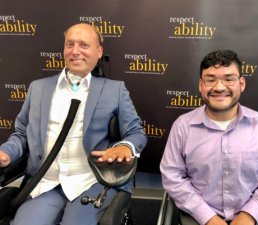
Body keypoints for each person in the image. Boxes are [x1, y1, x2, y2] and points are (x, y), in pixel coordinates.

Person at [0, 23, 147, 225]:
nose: (75, 51)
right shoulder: (38, 88)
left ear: (98, 52)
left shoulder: (115, 90)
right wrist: (6, 153)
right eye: (70, 44)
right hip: (45, 182)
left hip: (90, 182)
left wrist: (124, 147)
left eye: (84, 45)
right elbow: (22, 134)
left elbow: (136, 132)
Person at [160, 50, 258, 225]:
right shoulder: (183, 127)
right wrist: (207, 217)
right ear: (201, 85)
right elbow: (172, 177)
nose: (219, 87)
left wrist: (250, 215)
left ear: (241, 83)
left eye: (229, 79)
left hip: (256, 217)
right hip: (198, 217)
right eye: (210, 79)